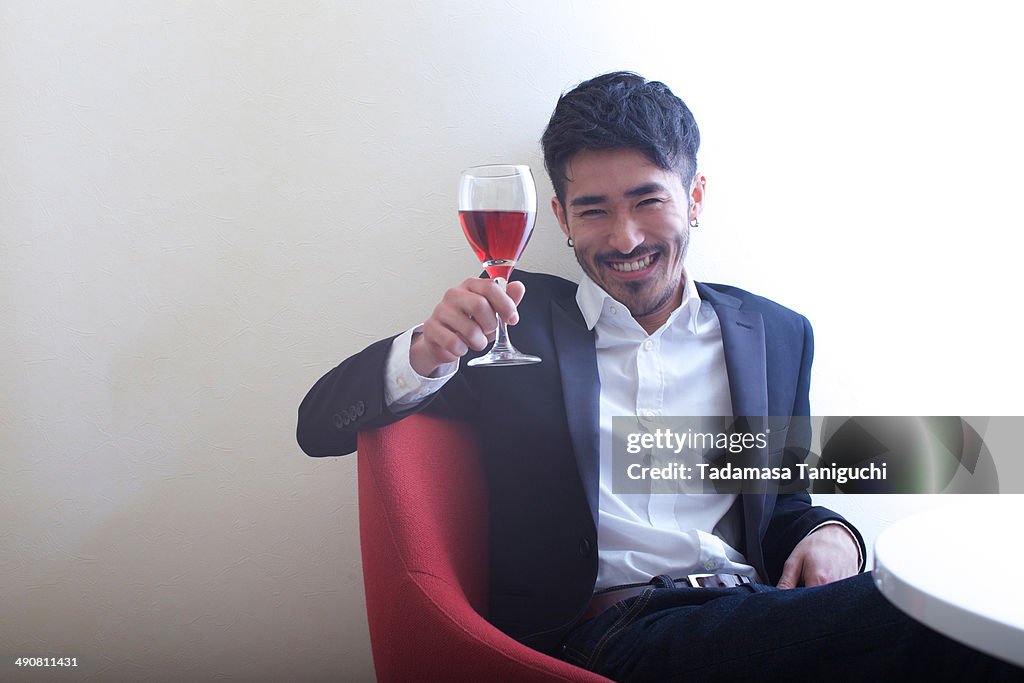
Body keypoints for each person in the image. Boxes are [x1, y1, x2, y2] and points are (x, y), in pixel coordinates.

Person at [297, 72, 1020, 680]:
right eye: (594, 210)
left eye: (648, 200)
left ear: (695, 197)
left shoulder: (774, 332)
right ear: (561, 217)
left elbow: (786, 507)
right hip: (613, 634)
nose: (625, 238)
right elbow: (317, 425)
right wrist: (427, 348)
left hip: (755, 612)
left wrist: (836, 533)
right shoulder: (513, 322)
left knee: (953, 625)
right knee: (942, 619)